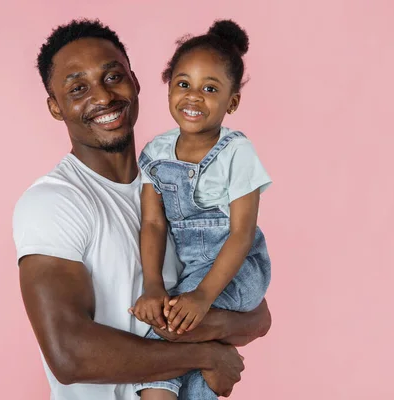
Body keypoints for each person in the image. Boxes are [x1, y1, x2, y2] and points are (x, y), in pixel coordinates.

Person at [12, 18, 272, 400]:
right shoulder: (53, 203)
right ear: (55, 107)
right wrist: (207, 353)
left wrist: (199, 322)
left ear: (135, 82)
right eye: (78, 88)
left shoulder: (180, 188)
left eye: (113, 77)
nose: (102, 97)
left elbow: (259, 317)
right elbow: (68, 355)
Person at [131, 20, 272, 400]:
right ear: (169, 86)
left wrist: (203, 296)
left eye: (210, 88)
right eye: (183, 83)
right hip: (192, 272)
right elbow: (153, 222)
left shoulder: (237, 152)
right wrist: (153, 286)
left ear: (232, 101)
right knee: (171, 332)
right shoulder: (156, 153)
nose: (194, 96)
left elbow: (242, 234)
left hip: (236, 269)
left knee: (167, 332)